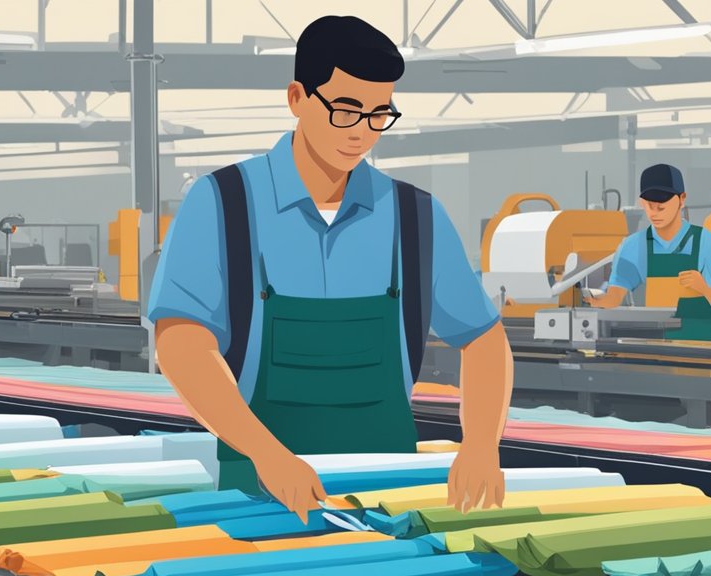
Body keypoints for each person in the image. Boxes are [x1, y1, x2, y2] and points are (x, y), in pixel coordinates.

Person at [148, 15, 512, 519]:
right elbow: (182, 343)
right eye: (345, 110)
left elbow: (483, 337)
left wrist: (481, 446)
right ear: (297, 97)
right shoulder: (222, 203)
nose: (361, 133)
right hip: (258, 491)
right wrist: (268, 453)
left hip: (388, 496)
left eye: (378, 114)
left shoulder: (415, 215)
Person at [587, 163, 711, 341]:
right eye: (650, 206)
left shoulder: (704, 241)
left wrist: (705, 289)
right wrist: (595, 301)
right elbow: (615, 296)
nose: (654, 213)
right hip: (655, 343)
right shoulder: (633, 246)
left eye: (661, 207)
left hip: (699, 344)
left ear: (682, 199)